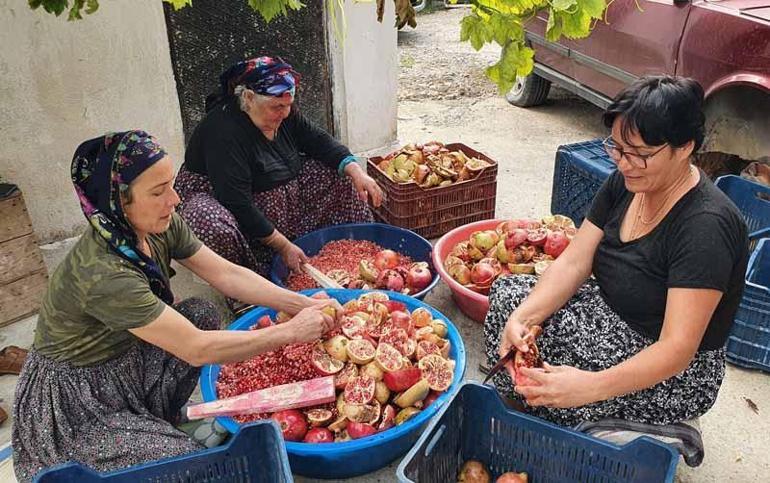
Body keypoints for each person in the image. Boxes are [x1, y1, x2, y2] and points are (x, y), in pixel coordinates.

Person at [12, 131, 341, 482]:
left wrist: (302, 303)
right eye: (157, 192)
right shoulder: (104, 274)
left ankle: (154, 420)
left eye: (170, 184)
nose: (174, 199)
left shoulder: (156, 225)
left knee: (201, 312)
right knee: (189, 464)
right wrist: (291, 331)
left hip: (125, 360)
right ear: (118, 202)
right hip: (77, 400)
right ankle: (137, 435)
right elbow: (197, 349)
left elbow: (226, 274)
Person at [484, 76, 749, 427]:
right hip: (608, 309)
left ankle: (585, 417)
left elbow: (677, 349)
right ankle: (544, 402)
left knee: (562, 371)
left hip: (675, 367)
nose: (623, 163)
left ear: (684, 147)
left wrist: (590, 387)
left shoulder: (706, 227)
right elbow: (575, 262)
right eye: (618, 148)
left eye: (639, 154)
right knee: (508, 298)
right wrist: (524, 318)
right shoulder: (627, 181)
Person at [175, 56, 383, 283]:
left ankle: (348, 255)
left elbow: (317, 140)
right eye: (276, 107)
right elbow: (236, 201)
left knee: (338, 174)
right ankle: (247, 286)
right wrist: (282, 245)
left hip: (278, 191)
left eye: (287, 106)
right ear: (249, 98)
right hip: (227, 200)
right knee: (208, 220)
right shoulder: (222, 132)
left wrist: (355, 170)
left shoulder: (284, 112)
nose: (284, 113)